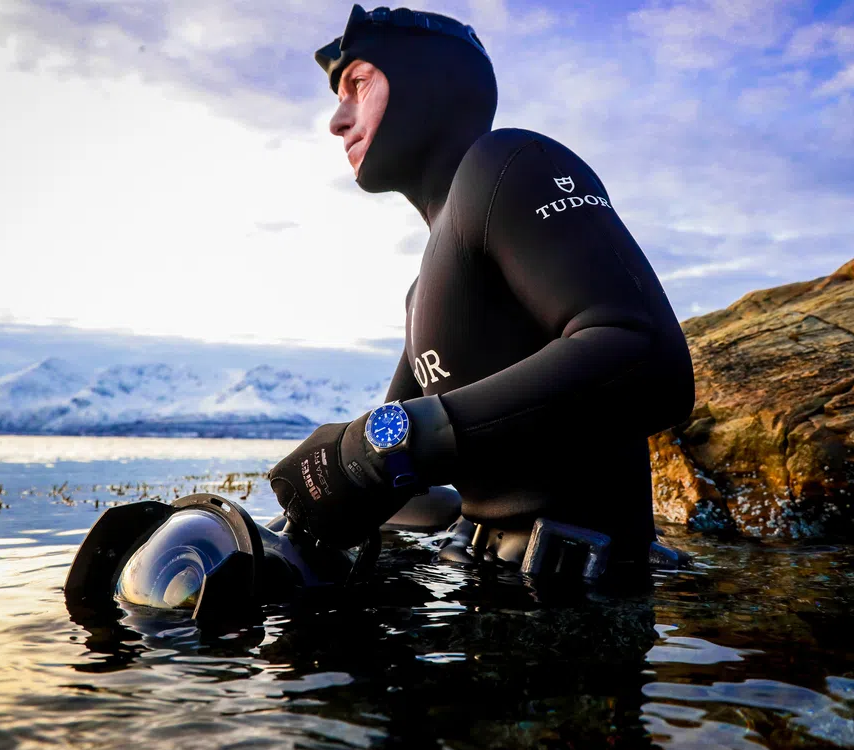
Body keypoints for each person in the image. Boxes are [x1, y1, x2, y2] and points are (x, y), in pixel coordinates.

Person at [269, 5, 695, 572]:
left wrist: (388, 441)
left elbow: (649, 361)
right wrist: (292, 521)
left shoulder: (511, 164)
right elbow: (391, 470)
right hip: (486, 593)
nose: (337, 120)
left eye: (358, 84)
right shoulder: (422, 289)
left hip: (588, 613)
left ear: (431, 83)